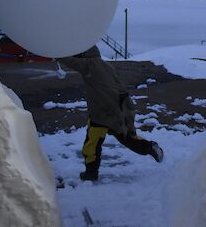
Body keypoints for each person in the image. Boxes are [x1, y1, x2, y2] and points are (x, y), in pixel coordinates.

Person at [58, 45, 163, 181]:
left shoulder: (91, 64)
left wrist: (56, 53)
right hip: (118, 108)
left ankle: (91, 173)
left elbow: (71, 62)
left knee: (92, 144)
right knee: (127, 138)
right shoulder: (106, 66)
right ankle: (150, 147)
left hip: (102, 112)